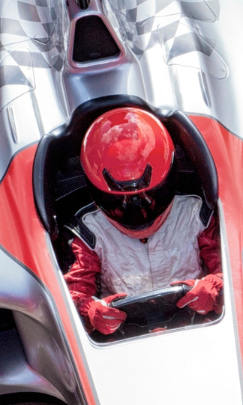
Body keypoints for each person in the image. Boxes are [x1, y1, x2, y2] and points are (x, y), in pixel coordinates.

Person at [63, 107, 222, 337]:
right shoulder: (88, 233)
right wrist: (90, 312)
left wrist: (215, 288)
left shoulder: (196, 214)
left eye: (149, 196)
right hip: (124, 339)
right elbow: (71, 296)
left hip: (199, 329)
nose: (138, 211)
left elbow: (234, 270)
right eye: (121, 201)